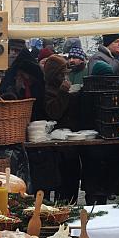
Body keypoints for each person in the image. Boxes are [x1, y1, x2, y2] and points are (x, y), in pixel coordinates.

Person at [42, 55, 80, 203]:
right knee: (63, 183)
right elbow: (54, 112)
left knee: (72, 180)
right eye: (62, 74)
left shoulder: (57, 88)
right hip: (57, 146)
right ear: (54, 74)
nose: (64, 77)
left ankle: (70, 205)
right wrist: (63, 93)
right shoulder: (47, 90)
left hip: (70, 143)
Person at [0, 46, 46, 121]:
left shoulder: (37, 83)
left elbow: (40, 104)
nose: (27, 77)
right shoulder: (10, 82)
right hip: (14, 120)